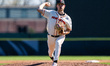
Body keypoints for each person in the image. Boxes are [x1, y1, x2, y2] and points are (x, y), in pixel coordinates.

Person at [37, 0, 72, 66]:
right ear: (57, 6)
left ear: (64, 6)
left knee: (58, 43)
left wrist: (64, 32)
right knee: (50, 52)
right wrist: (44, 3)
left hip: (60, 36)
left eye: (62, 4)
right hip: (50, 36)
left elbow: (69, 30)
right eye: (59, 4)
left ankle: (55, 62)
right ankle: (52, 57)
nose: (60, 6)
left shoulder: (67, 18)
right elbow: (39, 9)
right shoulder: (51, 13)